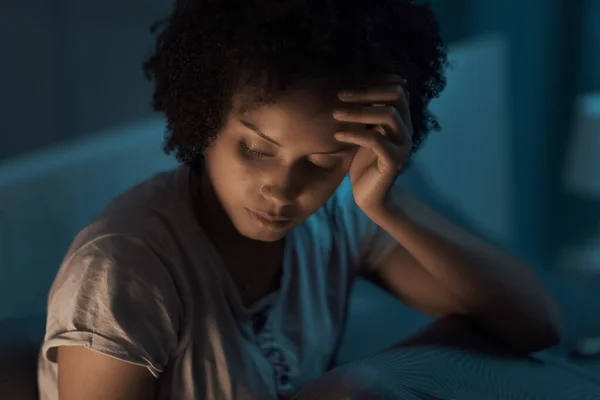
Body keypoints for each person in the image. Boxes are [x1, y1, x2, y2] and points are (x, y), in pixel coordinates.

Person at [37, 0, 562, 399]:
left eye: (320, 163)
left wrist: (387, 206)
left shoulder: (336, 218)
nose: (282, 190)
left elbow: (534, 323)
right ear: (204, 120)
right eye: (255, 150)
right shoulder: (121, 273)